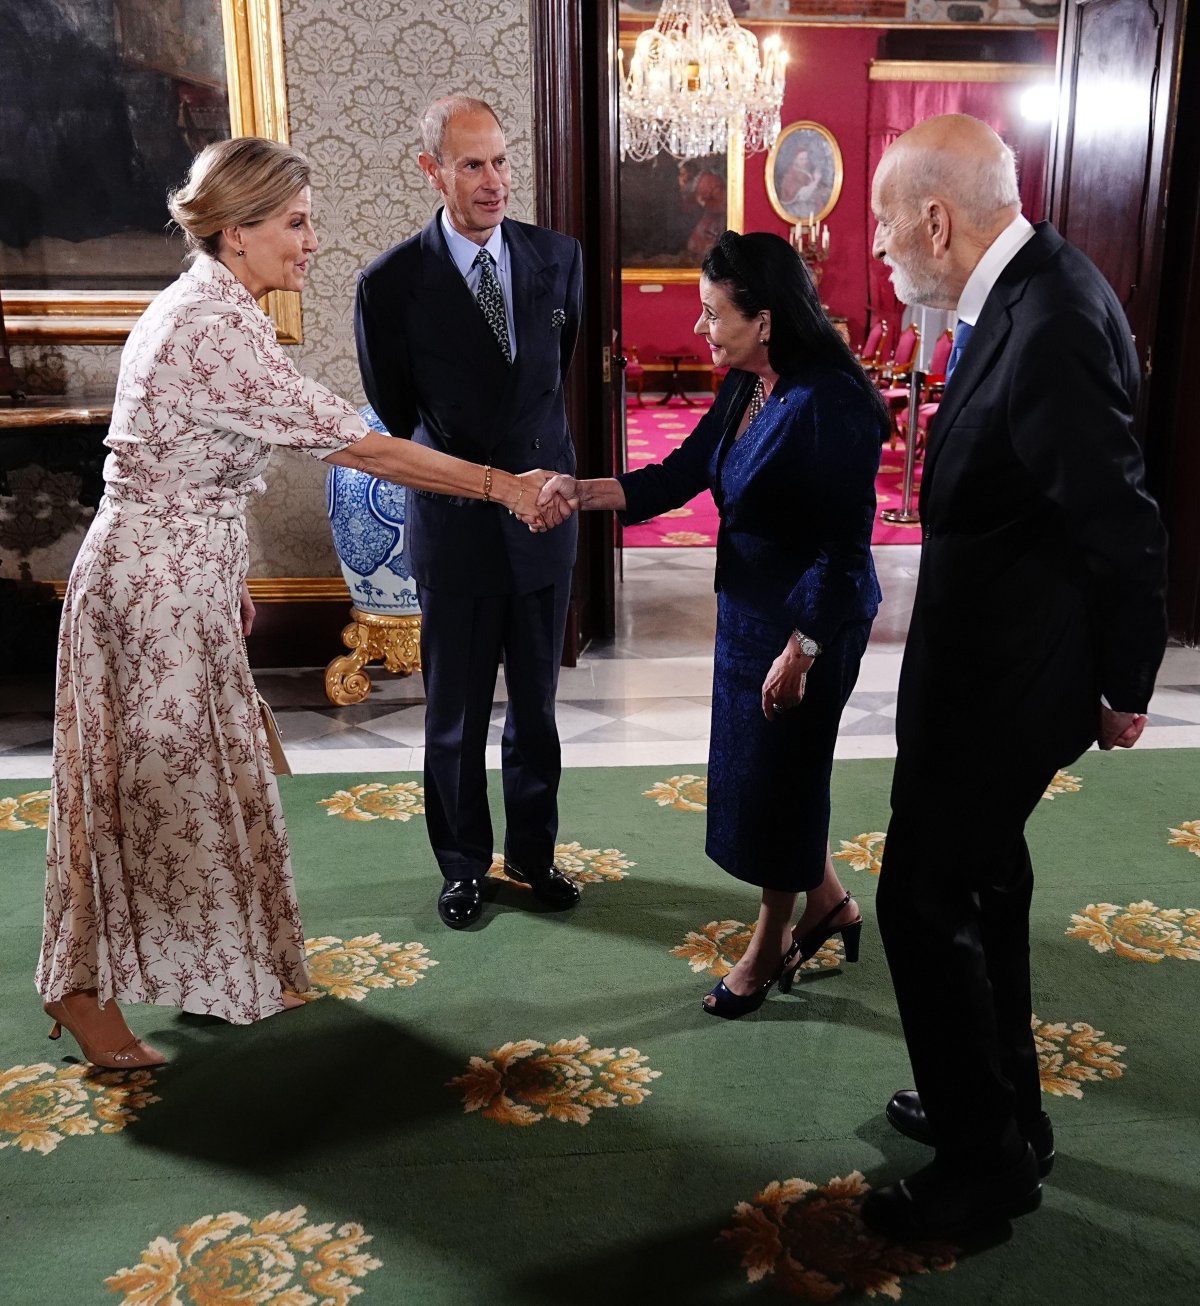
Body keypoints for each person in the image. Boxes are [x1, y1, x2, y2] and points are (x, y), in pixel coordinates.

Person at [35, 136, 553, 1068]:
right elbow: (362, 445)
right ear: (237, 233)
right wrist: (504, 487)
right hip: (151, 592)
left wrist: (225, 576)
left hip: (175, 578)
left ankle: (205, 969)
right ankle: (77, 992)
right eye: (296, 224)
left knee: (189, 790)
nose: (312, 243)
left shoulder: (210, 304)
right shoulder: (212, 325)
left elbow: (186, 467)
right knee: (136, 792)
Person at [862, 114, 1167, 1238]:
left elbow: (1120, 522)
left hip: (1010, 682)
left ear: (937, 220)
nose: (883, 243)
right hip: (985, 665)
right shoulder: (1021, 289)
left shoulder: (1048, 319)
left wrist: (1126, 680)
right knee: (984, 887)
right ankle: (997, 1111)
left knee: (920, 898)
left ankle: (986, 1166)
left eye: (889, 221)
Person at [539, 230, 889, 1017]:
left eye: (712, 314)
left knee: (785, 779)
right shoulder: (746, 384)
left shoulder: (829, 401)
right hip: (748, 615)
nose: (701, 329)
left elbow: (843, 549)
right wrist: (575, 489)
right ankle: (830, 903)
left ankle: (772, 940)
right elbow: (677, 475)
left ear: (764, 320)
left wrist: (802, 647)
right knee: (761, 777)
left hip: (815, 619)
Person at [355, 95, 584, 930]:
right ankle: (462, 866)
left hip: (545, 524)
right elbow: (396, 407)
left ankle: (534, 853)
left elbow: (552, 381)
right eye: (474, 165)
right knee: (452, 717)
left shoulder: (560, 258)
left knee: (536, 709)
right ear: (433, 171)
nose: (496, 181)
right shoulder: (388, 284)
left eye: (501, 161)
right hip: (453, 530)